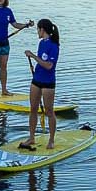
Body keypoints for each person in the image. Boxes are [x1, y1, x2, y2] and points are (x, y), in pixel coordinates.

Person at [20, 18, 60, 150]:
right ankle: (31, 137)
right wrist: (34, 63)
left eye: (38, 29)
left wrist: (32, 56)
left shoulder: (54, 46)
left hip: (48, 82)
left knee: (49, 111)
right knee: (33, 109)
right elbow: (41, 62)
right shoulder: (41, 43)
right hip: (36, 80)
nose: (37, 31)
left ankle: (52, 140)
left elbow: (49, 66)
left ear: (42, 30)